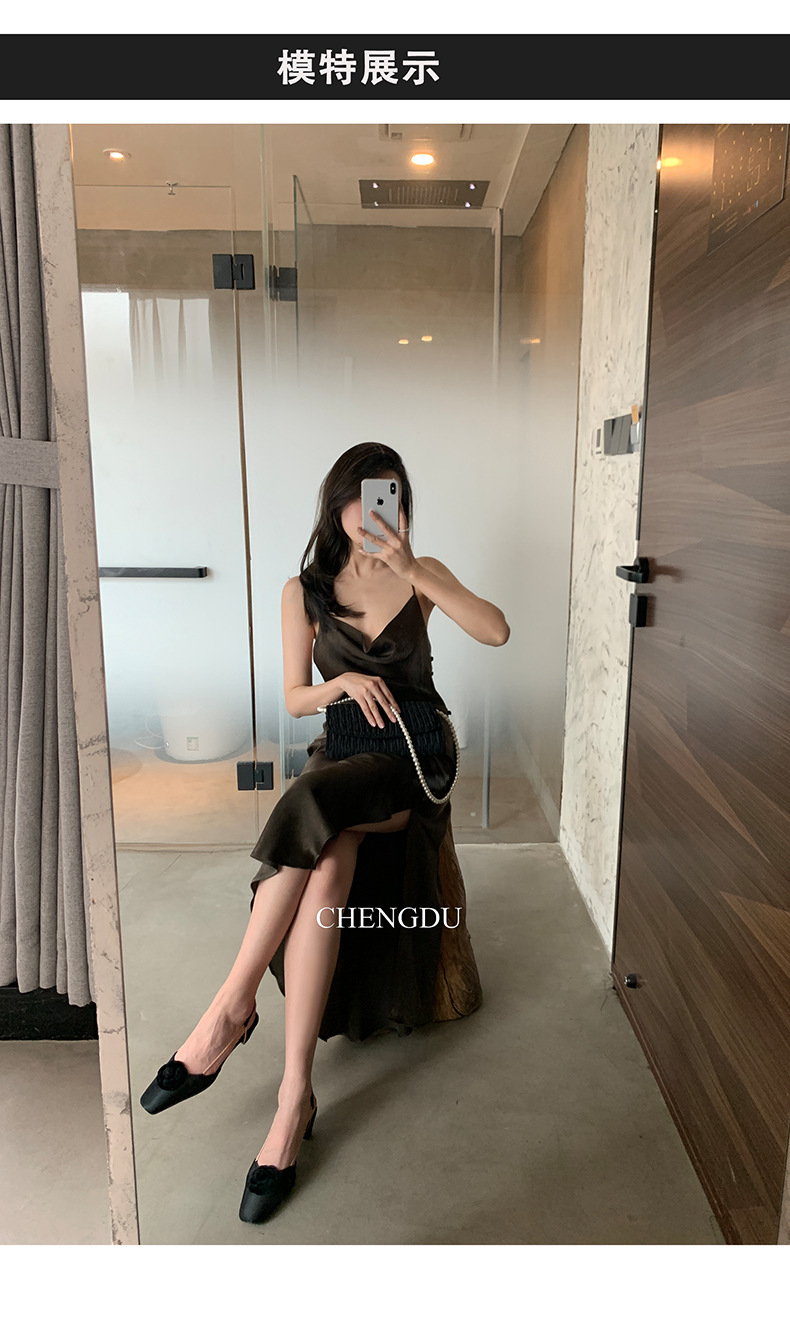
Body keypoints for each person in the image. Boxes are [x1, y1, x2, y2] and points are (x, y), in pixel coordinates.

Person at [140, 442, 510, 1224]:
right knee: (330, 863)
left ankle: (230, 1007)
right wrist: (339, 681)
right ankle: (294, 1096)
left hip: (409, 761)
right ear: (337, 502)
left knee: (313, 805)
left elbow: (497, 630)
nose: (373, 509)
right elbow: (294, 696)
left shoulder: (424, 571)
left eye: (390, 494)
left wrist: (413, 570)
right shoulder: (303, 590)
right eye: (361, 494)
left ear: (401, 504)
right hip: (338, 754)